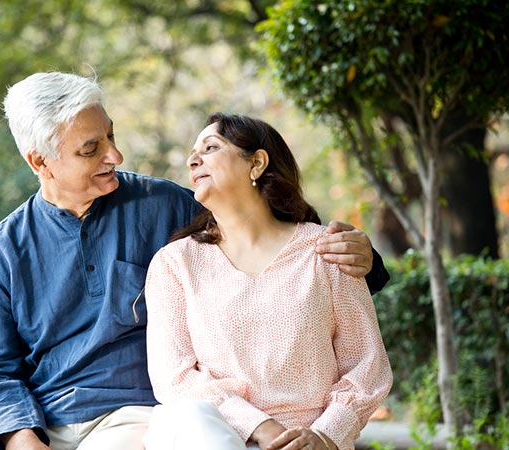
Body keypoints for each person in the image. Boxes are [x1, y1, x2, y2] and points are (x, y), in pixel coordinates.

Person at [0, 72, 389, 450]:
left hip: (134, 415)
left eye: (112, 137)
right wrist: (21, 439)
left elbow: (270, 239)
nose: (115, 157)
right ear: (40, 161)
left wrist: (367, 262)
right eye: (91, 149)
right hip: (35, 420)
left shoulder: (164, 206)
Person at [143, 113, 393, 450]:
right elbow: (174, 378)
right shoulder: (176, 263)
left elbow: (368, 365)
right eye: (192, 153)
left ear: (257, 163)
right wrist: (258, 426)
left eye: (210, 147)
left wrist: (324, 435)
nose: (193, 160)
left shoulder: (325, 250)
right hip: (216, 435)